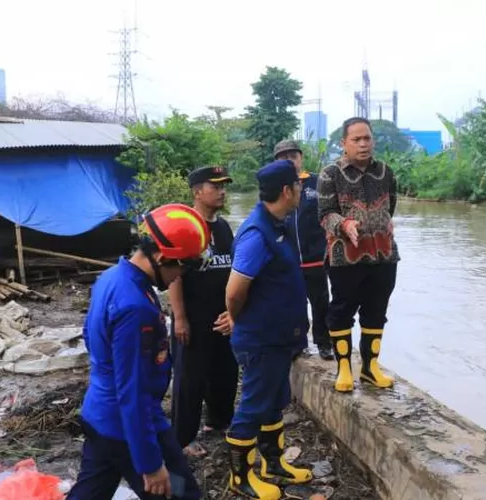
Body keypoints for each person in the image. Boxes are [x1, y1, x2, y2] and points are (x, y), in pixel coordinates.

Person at [66, 203, 209, 500]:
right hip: (127, 425)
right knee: (182, 494)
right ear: (161, 256)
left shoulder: (112, 278)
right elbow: (132, 391)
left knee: (90, 493)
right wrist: (150, 463)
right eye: (183, 265)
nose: (180, 276)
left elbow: (90, 336)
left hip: (99, 414)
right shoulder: (136, 307)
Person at [224, 160, 313, 500]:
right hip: (261, 339)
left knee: (274, 402)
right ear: (287, 191)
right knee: (253, 406)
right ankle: (240, 478)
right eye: (299, 186)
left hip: (279, 337)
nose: (302, 191)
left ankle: (272, 465)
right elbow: (234, 291)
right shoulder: (256, 234)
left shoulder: (281, 222)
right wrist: (237, 318)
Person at [317, 117, 400, 393]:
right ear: (344, 143)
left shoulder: (385, 172)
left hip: (384, 255)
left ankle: (370, 368)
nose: (363, 144)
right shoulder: (331, 174)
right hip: (346, 258)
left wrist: (380, 224)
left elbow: (392, 205)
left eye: (367, 138)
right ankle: (344, 369)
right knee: (342, 311)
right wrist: (345, 225)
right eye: (356, 139)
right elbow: (325, 215)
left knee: (376, 311)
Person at [168, 166, 237, 458]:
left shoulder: (222, 228)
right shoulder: (186, 227)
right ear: (197, 192)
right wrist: (180, 318)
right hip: (193, 318)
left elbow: (235, 270)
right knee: (189, 379)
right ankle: (183, 438)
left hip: (223, 318)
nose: (222, 191)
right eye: (215, 186)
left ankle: (219, 421)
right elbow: (174, 276)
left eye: (224, 186)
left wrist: (235, 313)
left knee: (225, 372)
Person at [273, 140, 334, 361]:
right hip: (288, 260)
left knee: (321, 303)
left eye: (293, 156)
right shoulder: (276, 188)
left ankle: (324, 343)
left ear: (301, 158)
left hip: (316, 259)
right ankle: (297, 343)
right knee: (293, 304)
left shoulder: (318, 183)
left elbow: (330, 215)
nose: (289, 161)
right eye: (283, 157)